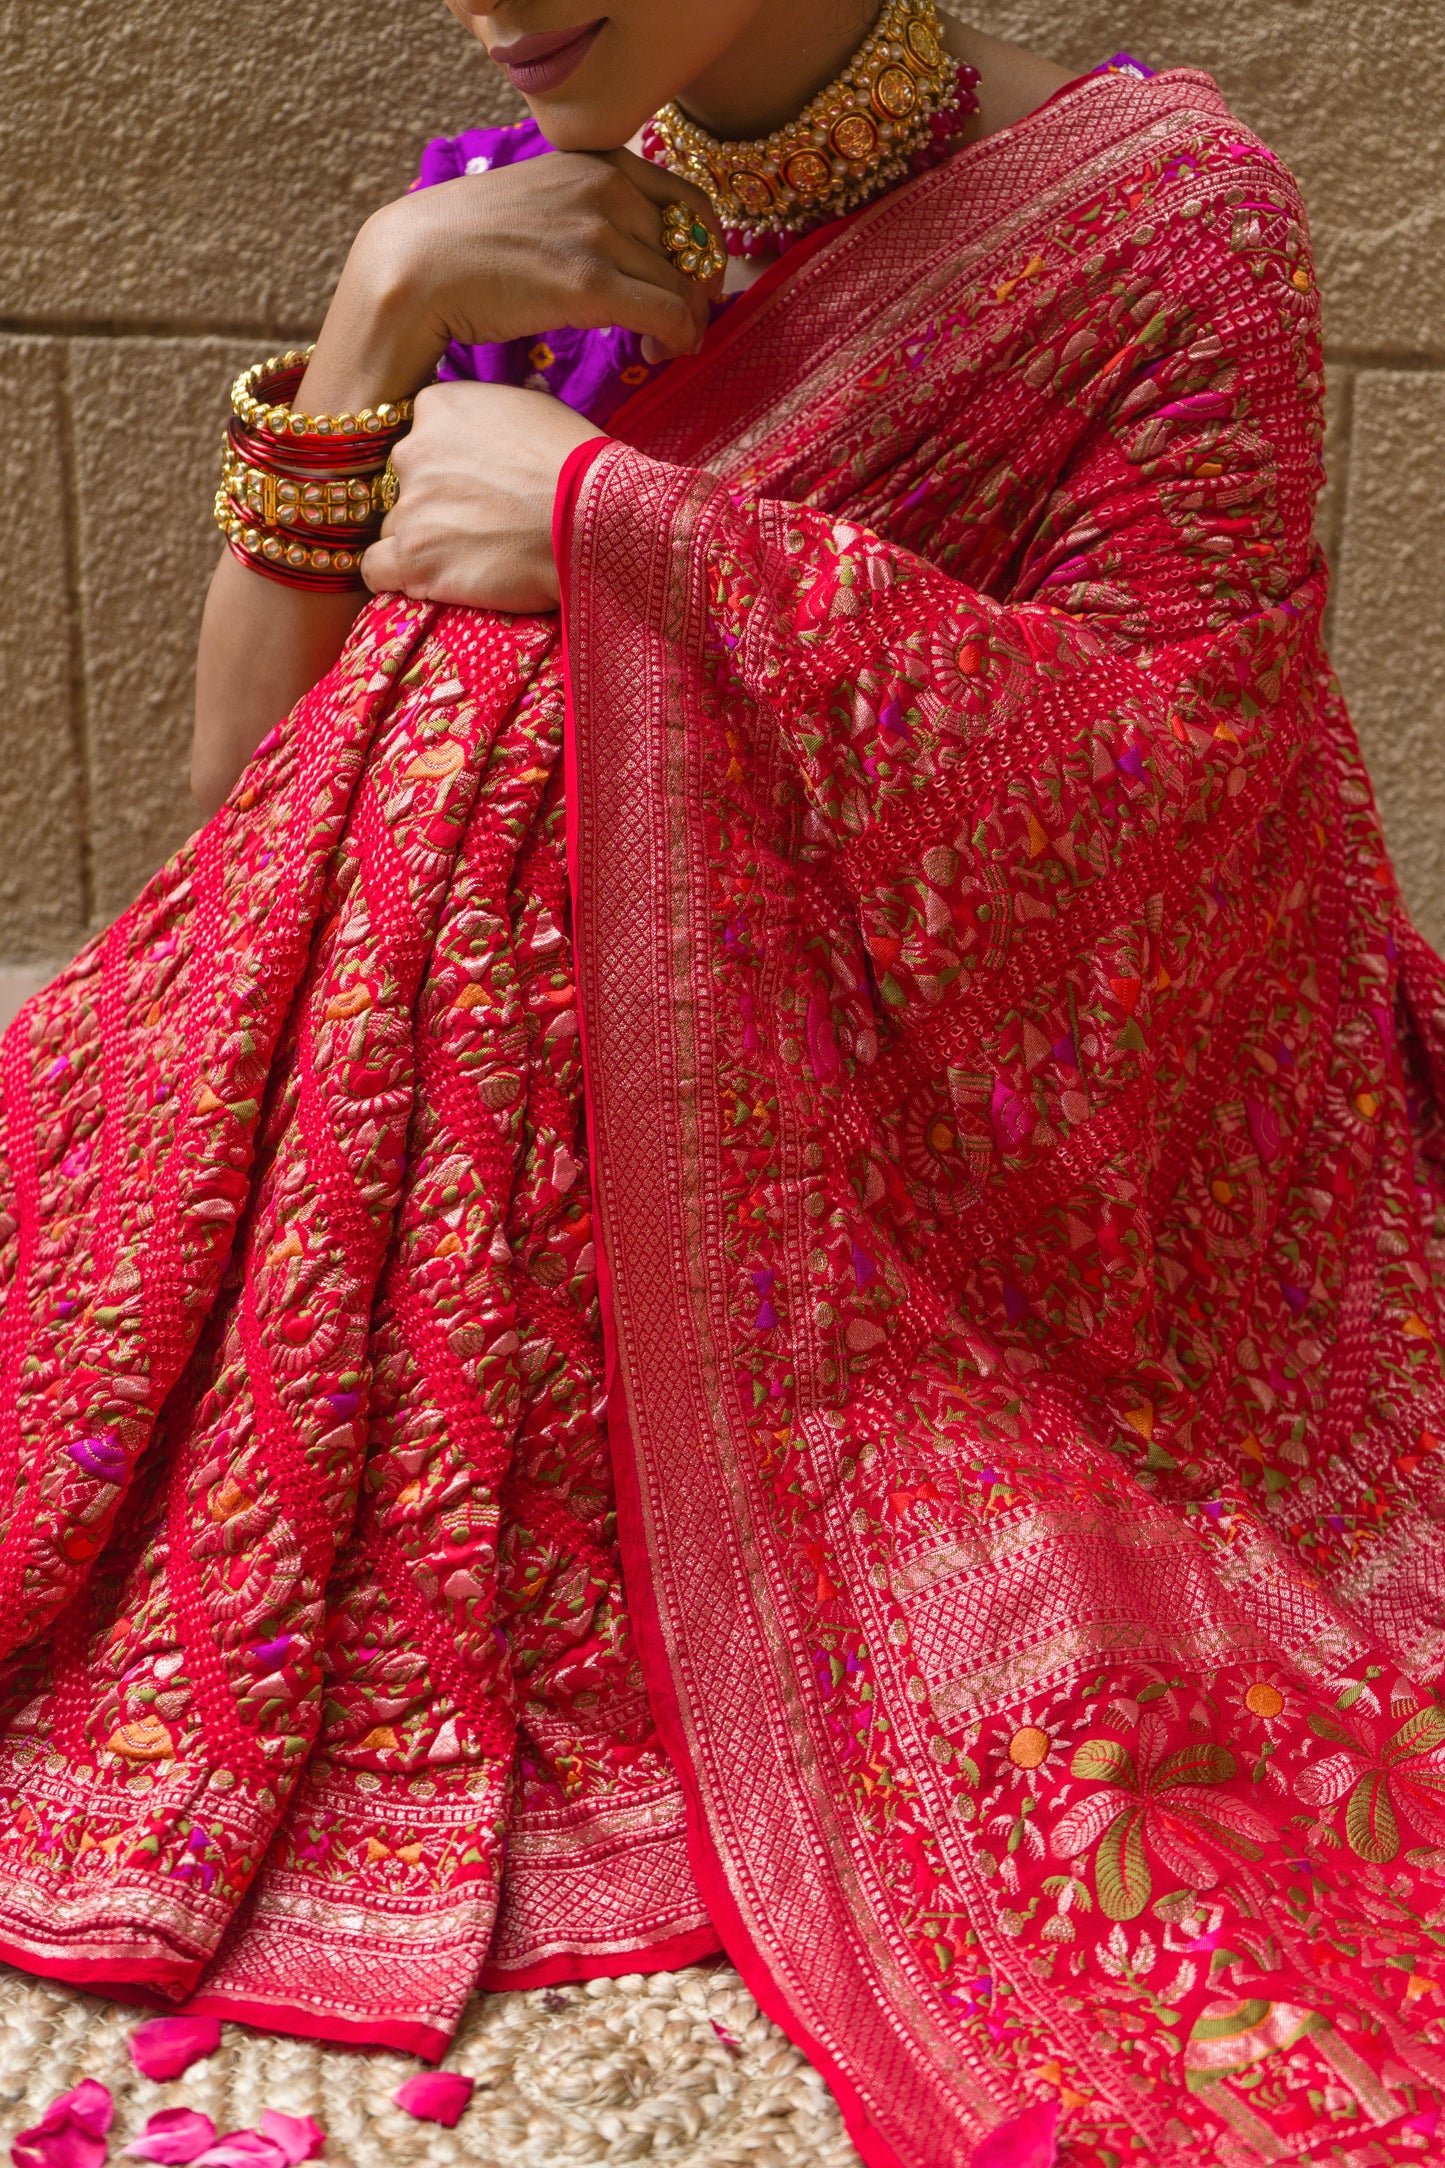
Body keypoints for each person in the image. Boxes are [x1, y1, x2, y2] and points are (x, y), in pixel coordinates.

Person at [2, 3, 1444, 2163]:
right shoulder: (531, 197)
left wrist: (632, 536)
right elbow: (241, 808)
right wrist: (371, 311)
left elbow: (1194, 800)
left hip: (839, 1232)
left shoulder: (1161, 225)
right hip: (379, 1122)